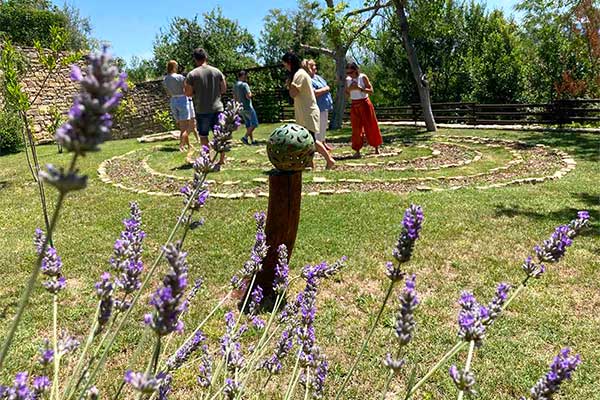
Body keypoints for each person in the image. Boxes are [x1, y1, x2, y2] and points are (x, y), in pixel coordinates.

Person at [282, 51, 335, 170]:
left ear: (290, 63)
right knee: (307, 140)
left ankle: (329, 160)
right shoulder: (299, 74)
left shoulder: (299, 74)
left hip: (308, 112)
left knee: (311, 140)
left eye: (285, 65)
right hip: (305, 111)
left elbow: (293, 93)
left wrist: (289, 85)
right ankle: (310, 164)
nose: (285, 67)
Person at [184, 48, 227, 165]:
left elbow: (188, 93)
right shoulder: (217, 72)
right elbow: (223, 89)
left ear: (195, 59)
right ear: (206, 57)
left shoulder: (192, 74)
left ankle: (207, 159)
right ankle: (222, 159)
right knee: (220, 135)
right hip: (218, 108)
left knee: (203, 136)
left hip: (202, 110)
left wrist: (196, 92)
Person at [345, 61, 382, 158]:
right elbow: (347, 93)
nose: (349, 75)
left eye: (351, 72)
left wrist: (359, 88)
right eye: (347, 73)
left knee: (370, 125)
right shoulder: (348, 80)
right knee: (356, 128)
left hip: (364, 103)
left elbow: (371, 90)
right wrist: (349, 89)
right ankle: (357, 150)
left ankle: (376, 147)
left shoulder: (362, 77)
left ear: (356, 70)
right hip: (354, 104)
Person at [162, 60, 196, 152]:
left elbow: (168, 92)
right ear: (174, 67)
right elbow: (186, 89)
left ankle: (188, 145)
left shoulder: (165, 79)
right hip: (182, 100)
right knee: (186, 126)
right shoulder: (180, 77)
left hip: (173, 101)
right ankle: (181, 145)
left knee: (182, 126)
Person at [305, 59, 334, 150]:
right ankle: (317, 146)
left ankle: (323, 142)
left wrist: (326, 88)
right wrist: (325, 89)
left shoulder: (317, 77)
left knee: (324, 126)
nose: (315, 67)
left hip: (325, 106)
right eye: (312, 66)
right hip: (317, 107)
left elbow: (326, 86)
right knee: (318, 127)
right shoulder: (308, 79)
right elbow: (314, 93)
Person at [233, 70, 259, 145]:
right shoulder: (245, 85)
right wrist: (251, 94)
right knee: (254, 124)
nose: (246, 78)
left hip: (241, 108)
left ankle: (252, 140)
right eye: (246, 76)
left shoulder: (235, 85)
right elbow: (248, 96)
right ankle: (245, 137)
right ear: (243, 75)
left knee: (248, 124)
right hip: (248, 107)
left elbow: (234, 97)